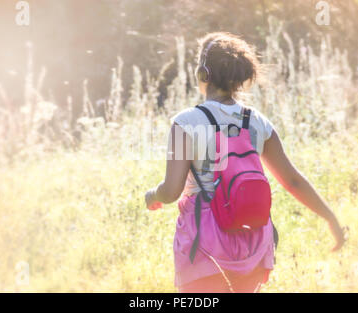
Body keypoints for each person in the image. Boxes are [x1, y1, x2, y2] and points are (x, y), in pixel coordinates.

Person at [145, 32, 345, 293]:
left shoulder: (187, 122)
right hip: (254, 241)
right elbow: (293, 180)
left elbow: (171, 191)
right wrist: (330, 217)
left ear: (203, 73)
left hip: (205, 246)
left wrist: (152, 195)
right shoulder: (257, 122)